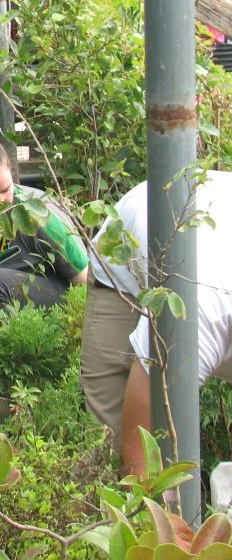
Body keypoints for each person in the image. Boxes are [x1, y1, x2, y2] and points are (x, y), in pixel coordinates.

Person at [76, 171, 232, 473]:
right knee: (110, 445)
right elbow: (139, 449)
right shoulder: (197, 318)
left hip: (205, 234)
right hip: (126, 263)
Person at [0, 130, 88, 308]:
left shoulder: (38, 213)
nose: (1, 202)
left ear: (12, 173)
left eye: (6, 190)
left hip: (58, 294)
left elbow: (85, 282)